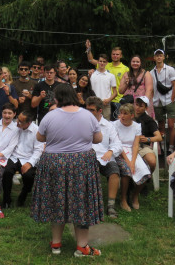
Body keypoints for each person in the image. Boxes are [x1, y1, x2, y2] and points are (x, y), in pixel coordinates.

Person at [32, 84, 103, 257]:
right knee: (82, 203)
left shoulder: (50, 116)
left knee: (57, 201)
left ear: (57, 98)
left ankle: (56, 244)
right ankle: (82, 247)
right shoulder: (88, 115)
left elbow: (40, 137)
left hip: (54, 163)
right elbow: (98, 139)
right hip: (81, 163)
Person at [85, 96, 122, 218]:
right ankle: (89, 203)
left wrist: (111, 151)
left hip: (105, 157)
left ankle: (111, 205)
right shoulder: (82, 124)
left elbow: (117, 144)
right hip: (87, 157)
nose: (89, 113)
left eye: (92, 110)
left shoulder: (108, 125)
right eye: (87, 110)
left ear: (100, 111)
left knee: (114, 171)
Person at [113, 103, 151, 212]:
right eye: (121, 113)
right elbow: (118, 144)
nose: (122, 116)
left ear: (132, 116)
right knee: (126, 170)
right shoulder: (115, 125)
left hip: (132, 151)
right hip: (119, 152)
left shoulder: (136, 126)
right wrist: (128, 162)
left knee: (145, 170)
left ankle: (135, 195)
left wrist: (133, 161)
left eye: (125, 114)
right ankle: (123, 198)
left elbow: (135, 145)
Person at [2, 111, 44, 208]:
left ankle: (23, 195)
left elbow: (38, 150)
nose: (17, 122)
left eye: (20, 121)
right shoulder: (16, 127)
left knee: (29, 176)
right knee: (7, 172)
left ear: (28, 123)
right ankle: (6, 199)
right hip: (15, 156)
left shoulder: (36, 131)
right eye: (18, 119)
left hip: (29, 158)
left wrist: (29, 163)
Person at [86, 40, 130, 117]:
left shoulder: (126, 69)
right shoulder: (106, 64)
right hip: (103, 100)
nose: (115, 56)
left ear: (121, 56)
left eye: (117, 54)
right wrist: (88, 49)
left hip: (118, 100)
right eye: (113, 54)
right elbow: (91, 60)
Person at [150, 49, 175, 152]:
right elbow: (151, 88)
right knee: (160, 125)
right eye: (157, 56)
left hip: (169, 99)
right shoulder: (151, 72)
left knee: (171, 125)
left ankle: (171, 147)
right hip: (157, 100)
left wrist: (172, 98)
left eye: (160, 55)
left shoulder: (170, 69)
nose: (159, 57)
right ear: (154, 58)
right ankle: (162, 146)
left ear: (164, 57)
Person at [134, 96, 162, 171]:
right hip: (129, 145)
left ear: (146, 108)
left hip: (143, 146)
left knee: (152, 161)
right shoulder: (129, 116)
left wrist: (147, 139)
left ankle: (147, 178)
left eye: (141, 106)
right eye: (136, 104)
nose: (137, 107)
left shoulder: (149, 120)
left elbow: (159, 137)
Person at [89, 54, 118, 121]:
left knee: (106, 125)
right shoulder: (92, 75)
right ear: (98, 62)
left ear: (107, 63)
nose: (102, 63)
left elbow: (115, 93)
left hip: (106, 104)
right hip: (94, 103)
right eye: (100, 61)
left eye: (104, 61)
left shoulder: (111, 76)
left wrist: (108, 99)